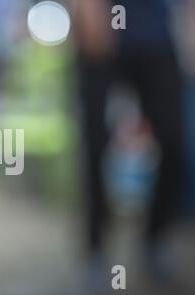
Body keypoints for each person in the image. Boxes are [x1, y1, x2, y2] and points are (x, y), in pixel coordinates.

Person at [73, 0, 185, 275]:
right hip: (102, 26)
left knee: (175, 143)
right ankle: (95, 250)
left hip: (156, 36)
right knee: (95, 146)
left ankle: (155, 238)